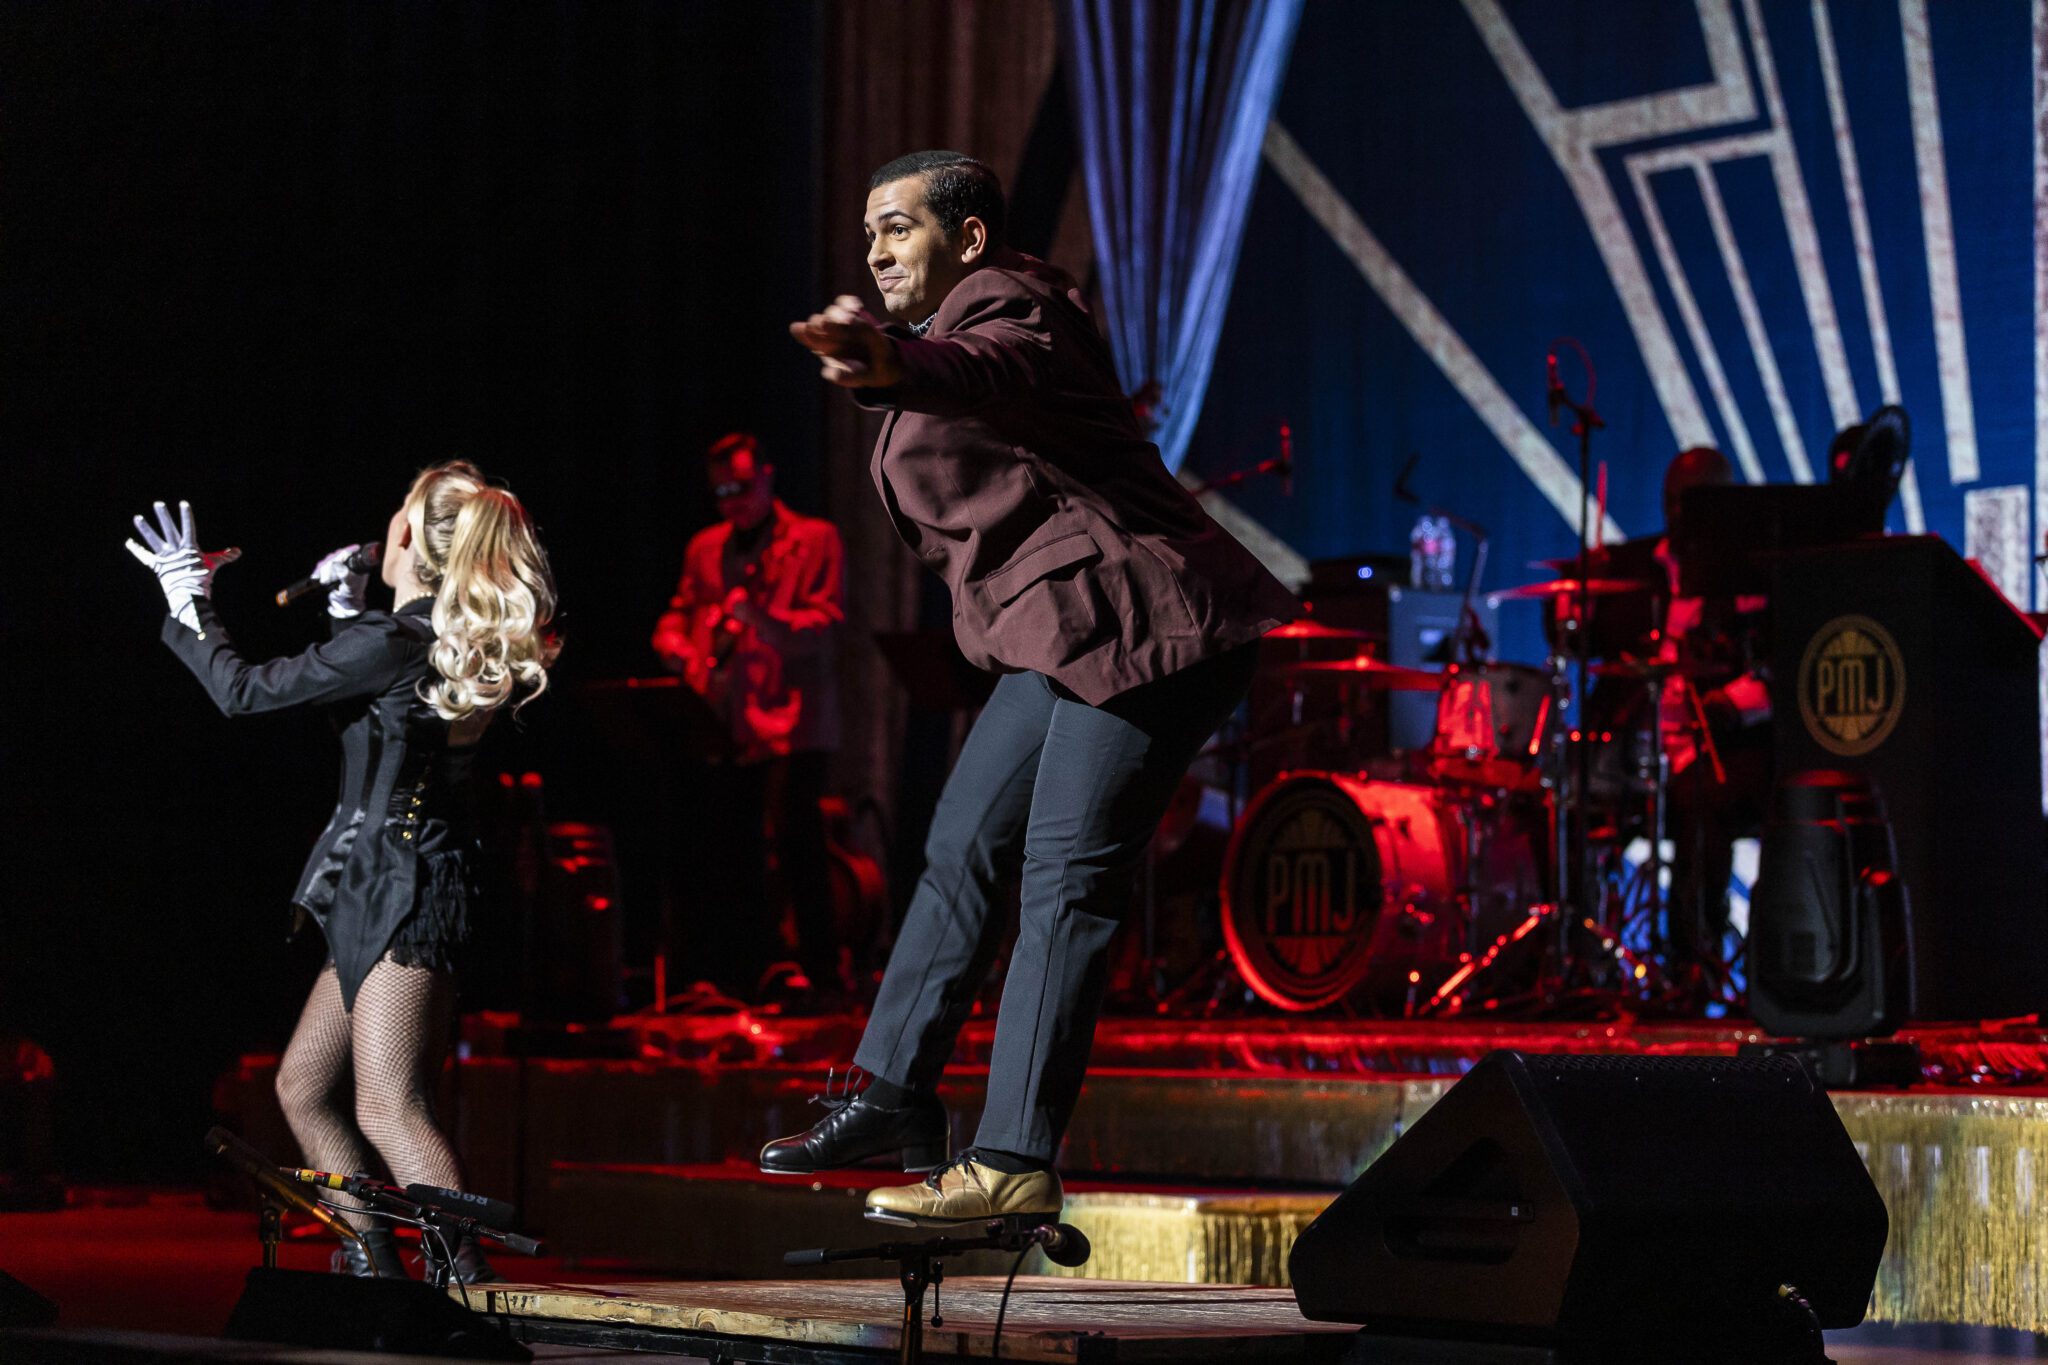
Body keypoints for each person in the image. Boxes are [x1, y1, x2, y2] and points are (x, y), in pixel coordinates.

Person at [767, 150, 1298, 1226]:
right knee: (958, 844)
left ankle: (1012, 1159)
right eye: (867, 234)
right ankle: (894, 1094)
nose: (875, 252)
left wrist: (886, 367)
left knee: (1063, 875)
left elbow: (986, 366)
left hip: (1143, 623)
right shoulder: (933, 337)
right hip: (1054, 636)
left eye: (897, 229)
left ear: (965, 238)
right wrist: (892, 363)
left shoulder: (1012, 301)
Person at [124, 463, 557, 1281]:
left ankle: (461, 1282)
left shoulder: (395, 640)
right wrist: (348, 606)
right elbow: (374, 708)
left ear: (406, 541)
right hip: (384, 882)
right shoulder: (422, 637)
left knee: (389, 1102)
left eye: (395, 514)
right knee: (303, 1087)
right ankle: (373, 1260)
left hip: (400, 888)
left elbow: (246, 692)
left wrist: (190, 600)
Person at [651, 433, 845, 996]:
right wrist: (678, 646)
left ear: (768, 476)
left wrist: (759, 619)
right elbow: (679, 614)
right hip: (728, 720)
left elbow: (827, 626)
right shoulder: (705, 547)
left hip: (794, 721)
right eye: (721, 492)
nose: (732, 500)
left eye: (741, 486)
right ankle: (747, 971)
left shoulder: (814, 539)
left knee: (797, 845)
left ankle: (822, 975)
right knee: (731, 852)